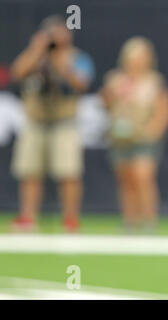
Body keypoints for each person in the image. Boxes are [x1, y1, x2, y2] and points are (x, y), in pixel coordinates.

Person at [10, 15, 95, 233]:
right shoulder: (34, 56)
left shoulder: (77, 58)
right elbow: (17, 73)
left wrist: (61, 63)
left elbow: (82, 83)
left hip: (64, 122)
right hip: (35, 121)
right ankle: (28, 217)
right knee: (30, 171)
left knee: (68, 172)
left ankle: (70, 219)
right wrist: (36, 51)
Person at [100, 37, 168, 232]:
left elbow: (164, 108)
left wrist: (155, 129)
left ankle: (148, 220)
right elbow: (105, 105)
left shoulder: (154, 81)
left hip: (144, 136)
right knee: (126, 179)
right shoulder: (115, 79)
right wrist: (111, 95)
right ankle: (130, 220)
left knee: (143, 177)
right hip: (120, 136)